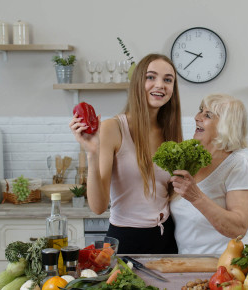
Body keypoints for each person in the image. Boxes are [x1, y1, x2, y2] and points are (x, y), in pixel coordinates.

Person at [69, 54, 182, 254]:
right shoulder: (113, 128)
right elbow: (97, 206)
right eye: (151, 77)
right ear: (138, 83)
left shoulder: (170, 131)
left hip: (167, 237)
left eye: (168, 80)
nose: (160, 85)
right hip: (125, 240)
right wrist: (91, 154)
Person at [169, 94, 248, 254]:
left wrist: (197, 197)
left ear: (226, 125)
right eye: (200, 111)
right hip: (190, 263)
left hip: (227, 265)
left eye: (207, 115)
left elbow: (239, 228)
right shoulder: (192, 159)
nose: (197, 117)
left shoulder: (239, 164)